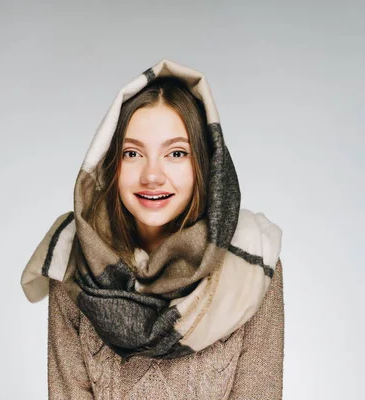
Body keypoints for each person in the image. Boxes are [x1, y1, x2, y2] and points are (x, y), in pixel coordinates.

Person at [20, 58, 284, 400]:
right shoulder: (76, 261)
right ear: (111, 163)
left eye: (176, 153)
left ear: (204, 165)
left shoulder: (251, 264)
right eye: (133, 153)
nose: (152, 175)